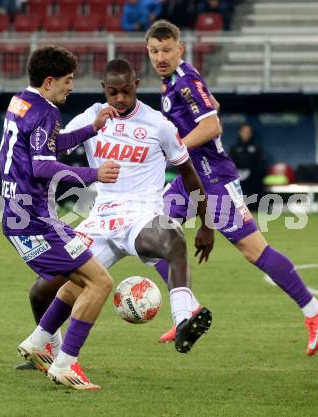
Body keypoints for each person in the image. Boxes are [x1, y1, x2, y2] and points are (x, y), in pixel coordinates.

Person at [145, 20, 318, 356]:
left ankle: (315, 311)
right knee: (149, 235)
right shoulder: (174, 79)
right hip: (191, 178)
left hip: (213, 178)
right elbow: (212, 105)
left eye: (167, 50)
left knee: (253, 250)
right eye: (154, 51)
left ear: (180, 48)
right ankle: (186, 310)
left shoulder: (185, 81)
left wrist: (176, 148)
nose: (160, 56)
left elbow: (212, 123)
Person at [20, 58, 214, 370]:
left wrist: (206, 223)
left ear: (136, 86)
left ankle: (182, 321)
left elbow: (190, 173)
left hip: (140, 215)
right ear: (104, 90)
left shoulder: (159, 125)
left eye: (125, 91)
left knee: (173, 239)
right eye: (113, 93)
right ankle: (44, 348)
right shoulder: (92, 116)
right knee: (41, 291)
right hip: (99, 219)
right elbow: (52, 151)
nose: (120, 99)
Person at [0, 45, 122, 391]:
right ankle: (66, 363)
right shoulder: (47, 112)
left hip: (17, 215)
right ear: (50, 80)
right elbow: (42, 166)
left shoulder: (21, 103)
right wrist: (94, 174)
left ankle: (39, 342)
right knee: (100, 282)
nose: (71, 86)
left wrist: (92, 128)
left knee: (80, 279)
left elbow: (47, 148)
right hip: (36, 219)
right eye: (68, 80)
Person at [229, 123, 266, 210]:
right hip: (238, 178)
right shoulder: (234, 148)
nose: (246, 134)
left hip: (253, 180)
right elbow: (230, 164)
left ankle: (255, 208)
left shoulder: (257, 148)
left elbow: (260, 164)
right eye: (244, 132)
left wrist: (251, 173)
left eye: (248, 132)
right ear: (240, 133)